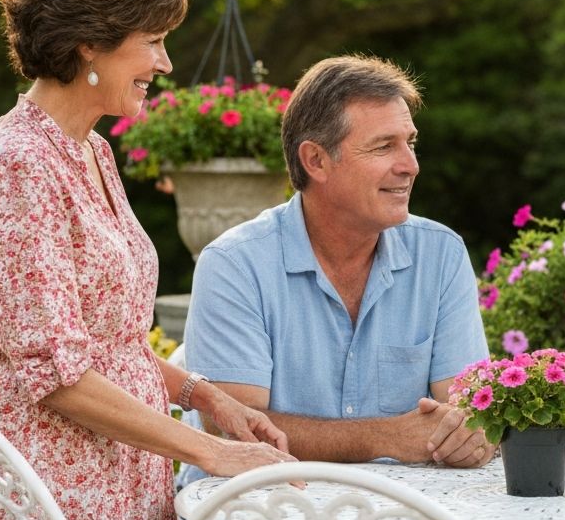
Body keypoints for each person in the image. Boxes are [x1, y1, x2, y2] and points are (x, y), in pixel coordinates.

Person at [0, 0, 290, 520]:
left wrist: (206, 394)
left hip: (124, 473)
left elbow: (108, 342)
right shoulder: (21, 164)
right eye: (152, 40)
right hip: (63, 487)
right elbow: (56, 373)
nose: (167, 62)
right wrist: (212, 453)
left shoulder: (90, 152)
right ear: (91, 38)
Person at [179, 53, 493, 477]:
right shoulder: (236, 264)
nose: (410, 166)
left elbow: (468, 410)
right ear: (316, 161)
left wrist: (470, 437)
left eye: (410, 143)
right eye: (384, 146)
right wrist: (388, 437)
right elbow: (234, 428)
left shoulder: (440, 255)